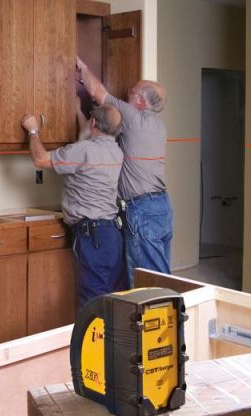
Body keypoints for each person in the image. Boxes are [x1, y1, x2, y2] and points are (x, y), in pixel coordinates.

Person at [77, 57, 173, 288]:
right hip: (161, 208)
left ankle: (160, 313)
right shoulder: (158, 125)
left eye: (131, 92)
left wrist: (81, 66)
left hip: (141, 210)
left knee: (147, 286)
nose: (127, 95)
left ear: (140, 101)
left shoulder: (133, 117)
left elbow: (97, 92)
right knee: (159, 278)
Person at [21, 102, 124, 310]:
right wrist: (77, 110)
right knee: (110, 300)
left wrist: (33, 130)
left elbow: (41, 159)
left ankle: (91, 334)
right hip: (112, 234)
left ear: (93, 123)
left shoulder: (83, 150)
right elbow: (84, 148)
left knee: (92, 303)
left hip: (92, 236)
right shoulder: (116, 151)